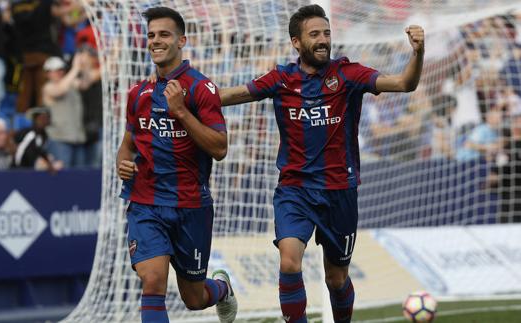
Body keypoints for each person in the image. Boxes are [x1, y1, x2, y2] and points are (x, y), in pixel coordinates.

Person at [219, 5, 424, 322]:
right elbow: (233, 94)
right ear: (296, 42)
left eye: (326, 33)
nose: (323, 40)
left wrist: (418, 53)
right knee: (289, 262)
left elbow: (404, 84)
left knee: (336, 279)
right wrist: (190, 95)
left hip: (339, 192)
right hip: (295, 190)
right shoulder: (282, 79)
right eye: (314, 34)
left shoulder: (348, 74)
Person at [116, 7, 236, 323]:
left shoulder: (201, 88)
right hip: (146, 204)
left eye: (164, 34)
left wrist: (181, 112)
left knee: (194, 298)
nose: (156, 41)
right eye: (152, 35)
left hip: (191, 206)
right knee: (153, 281)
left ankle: (222, 289)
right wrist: (123, 166)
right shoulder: (137, 93)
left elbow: (220, 148)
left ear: (182, 40)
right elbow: (127, 145)